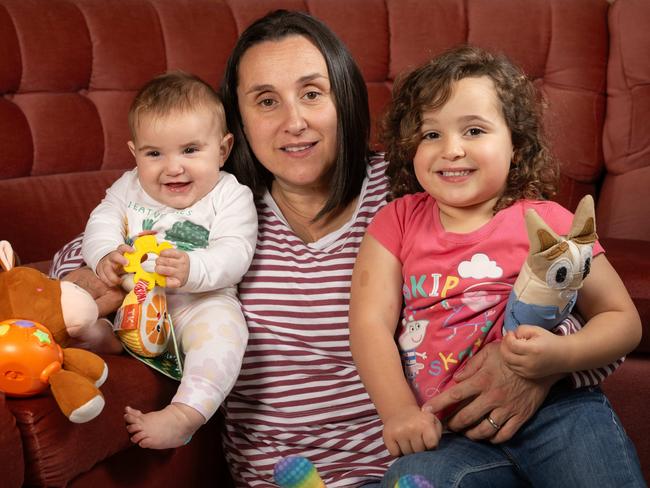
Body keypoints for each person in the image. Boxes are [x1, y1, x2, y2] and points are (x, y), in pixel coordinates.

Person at [50, 11, 632, 488]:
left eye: (312, 93)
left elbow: (557, 290)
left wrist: (534, 372)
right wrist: (96, 279)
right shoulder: (216, 207)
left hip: (416, 466)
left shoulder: (416, 188)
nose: (294, 122)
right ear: (236, 126)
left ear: (344, 97)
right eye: (266, 101)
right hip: (283, 478)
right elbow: (79, 264)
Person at [349, 45, 644, 487]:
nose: (451, 149)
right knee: (413, 478)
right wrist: (399, 411)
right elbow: (369, 323)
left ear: (515, 144)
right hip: (450, 433)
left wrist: (559, 356)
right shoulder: (397, 221)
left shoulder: (552, 223)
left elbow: (622, 320)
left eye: (473, 130)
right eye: (431, 134)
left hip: (560, 413)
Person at [81, 71, 258, 450]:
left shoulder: (230, 195)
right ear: (134, 154)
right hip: (133, 301)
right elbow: (102, 220)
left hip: (199, 303)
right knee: (84, 319)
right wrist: (104, 256)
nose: (173, 167)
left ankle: (184, 414)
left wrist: (194, 270)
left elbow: (236, 251)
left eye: (190, 150)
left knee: (226, 333)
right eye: (154, 153)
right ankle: (109, 340)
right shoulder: (128, 186)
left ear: (222, 150)